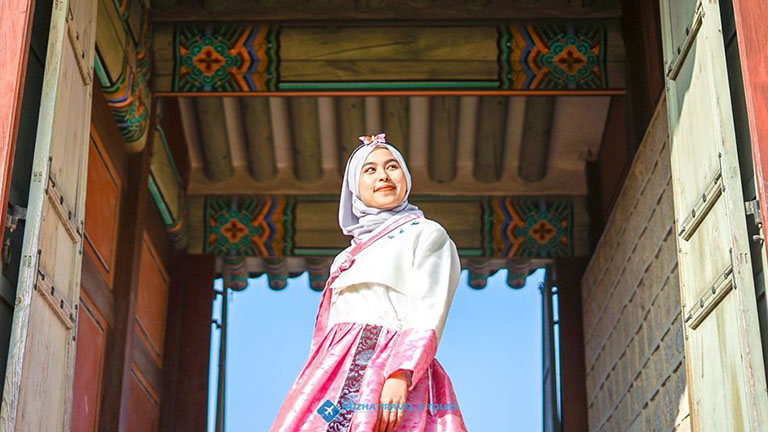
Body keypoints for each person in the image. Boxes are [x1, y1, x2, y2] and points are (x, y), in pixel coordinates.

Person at [269, 133, 467, 432]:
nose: (383, 176)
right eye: (369, 169)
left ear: (405, 176)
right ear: (354, 187)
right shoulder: (347, 255)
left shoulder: (426, 233)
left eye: (392, 166)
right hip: (333, 369)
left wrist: (401, 374)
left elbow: (429, 308)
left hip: (389, 365)